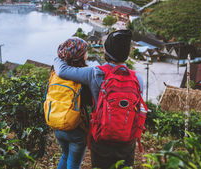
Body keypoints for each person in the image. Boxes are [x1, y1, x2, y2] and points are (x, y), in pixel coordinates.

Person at [54, 30, 144, 169]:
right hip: (127, 139)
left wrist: (60, 56)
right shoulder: (137, 79)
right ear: (126, 54)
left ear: (105, 53)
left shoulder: (96, 73)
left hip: (101, 138)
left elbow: (62, 71)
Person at [53, 37, 92, 169]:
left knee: (65, 155)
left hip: (57, 123)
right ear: (80, 55)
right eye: (86, 51)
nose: (87, 54)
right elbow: (90, 101)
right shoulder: (82, 76)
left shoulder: (54, 72)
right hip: (76, 126)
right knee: (74, 163)